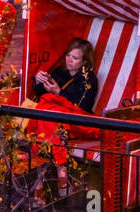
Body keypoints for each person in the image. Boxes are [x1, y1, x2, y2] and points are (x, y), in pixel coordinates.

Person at [27, 37, 100, 188]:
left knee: (48, 110)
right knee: (47, 108)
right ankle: (61, 172)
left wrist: (59, 92)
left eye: (75, 58)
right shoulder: (60, 72)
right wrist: (39, 80)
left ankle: (40, 181)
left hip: (79, 121)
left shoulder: (89, 80)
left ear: (84, 62)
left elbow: (82, 106)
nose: (69, 60)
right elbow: (41, 92)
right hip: (58, 122)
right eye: (68, 56)